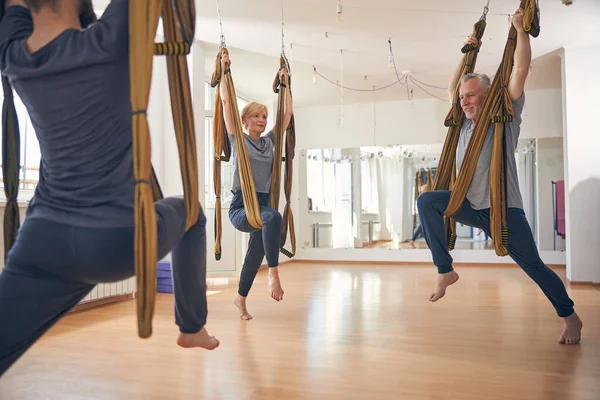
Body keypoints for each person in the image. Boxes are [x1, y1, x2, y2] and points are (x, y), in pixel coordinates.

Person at [0, 0, 219, 377]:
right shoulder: (109, 42)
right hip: (117, 240)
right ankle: (192, 325)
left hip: (40, 243)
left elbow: (15, 11)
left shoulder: (13, 57)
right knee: (192, 212)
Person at [417, 8, 583, 345]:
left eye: (471, 95)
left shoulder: (504, 116)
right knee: (428, 201)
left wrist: (520, 30)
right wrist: (467, 53)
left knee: (534, 266)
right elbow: (452, 88)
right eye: (462, 98)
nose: (464, 102)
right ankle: (445, 270)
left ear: (488, 96)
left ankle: (570, 317)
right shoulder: (460, 124)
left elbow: (520, 68)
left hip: (502, 207)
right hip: (466, 203)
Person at [218, 50, 293, 320]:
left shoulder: (270, 142)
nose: (262, 119)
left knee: (254, 253)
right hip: (241, 206)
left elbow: (285, 116)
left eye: (264, 116)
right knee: (273, 216)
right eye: (257, 116)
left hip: (262, 205)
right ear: (246, 120)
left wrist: (285, 83)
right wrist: (225, 71)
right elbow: (227, 102)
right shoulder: (239, 139)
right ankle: (273, 274)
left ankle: (240, 299)